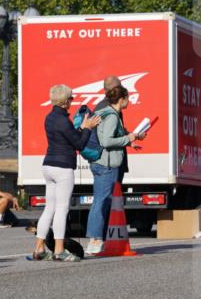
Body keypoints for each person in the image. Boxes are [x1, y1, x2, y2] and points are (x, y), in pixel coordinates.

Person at [27, 85, 101, 261]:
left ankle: (39, 249)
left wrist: (82, 128)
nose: (72, 101)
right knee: (62, 209)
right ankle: (59, 250)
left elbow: (68, 137)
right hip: (63, 168)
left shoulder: (50, 118)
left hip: (48, 165)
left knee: (49, 208)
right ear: (66, 101)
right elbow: (79, 144)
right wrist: (88, 128)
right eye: (71, 99)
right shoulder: (63, 120)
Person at [85, 86, 143, 255]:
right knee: (101, 201)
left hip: (100, 163)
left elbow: (110, 136)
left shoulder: (104, 112)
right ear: (121, 99)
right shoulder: (111, 116)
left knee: (100, 200)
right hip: (107, 165)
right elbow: (107, 141)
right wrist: (127, 138)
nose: (129, 101)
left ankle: (96, 239)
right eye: (127, 98)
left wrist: (130, 141)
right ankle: (95, 239)